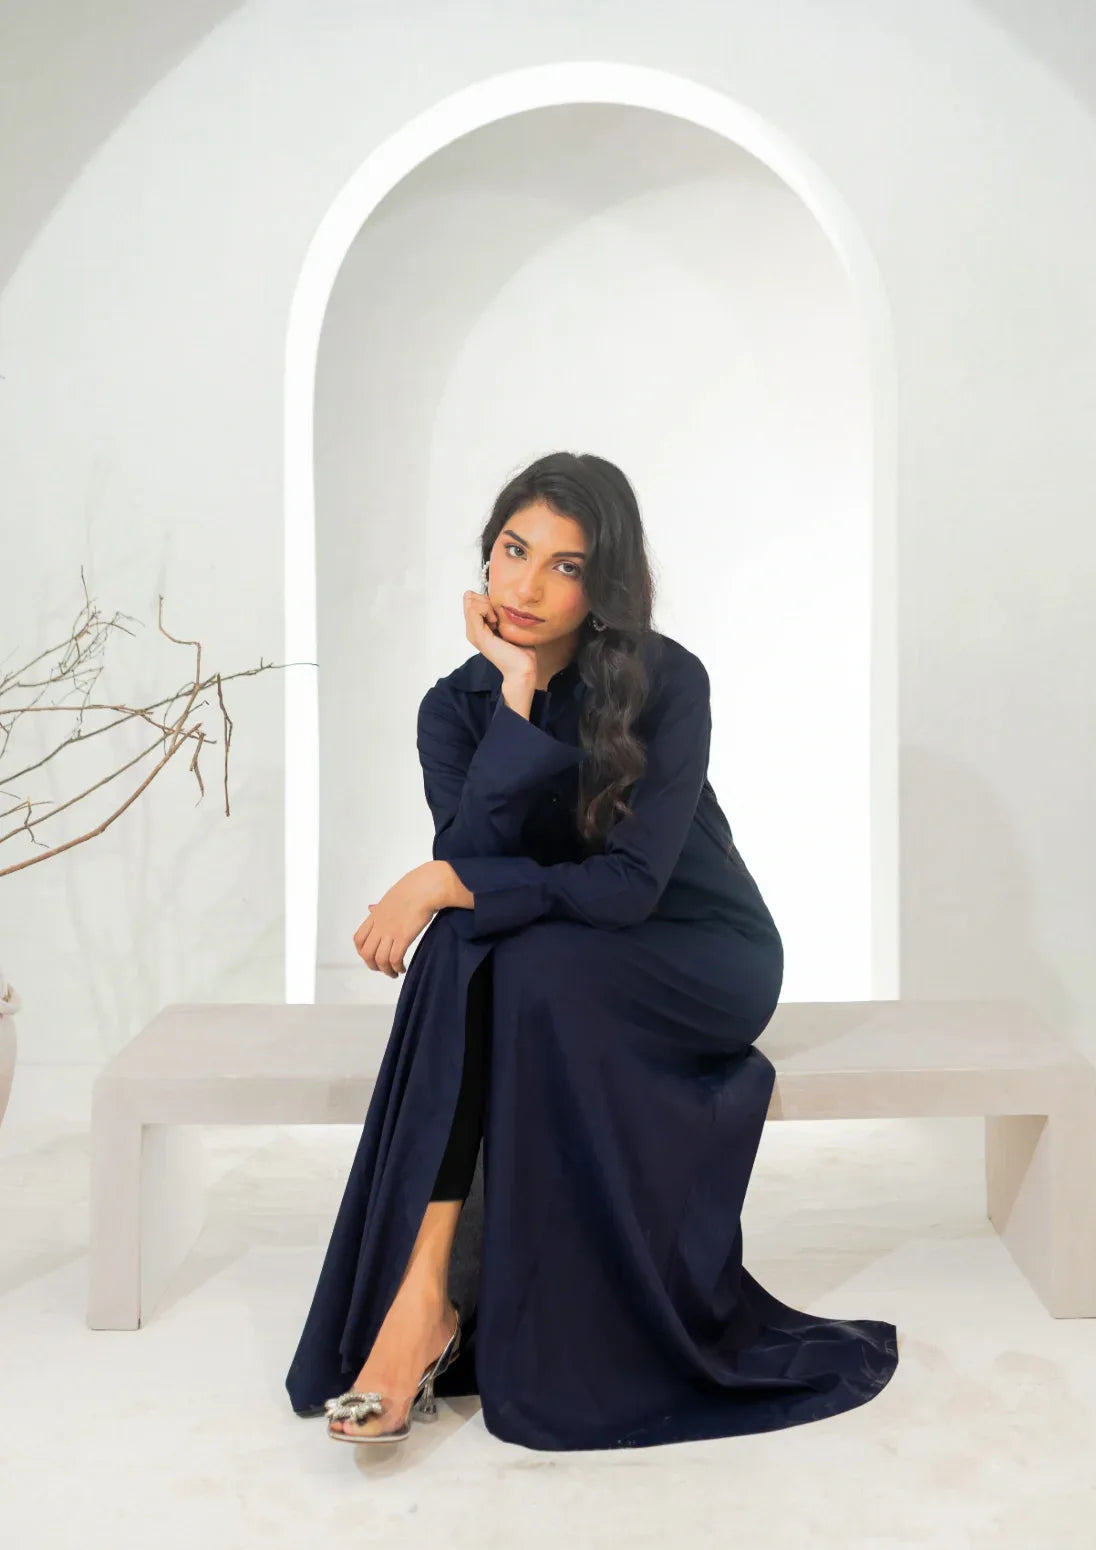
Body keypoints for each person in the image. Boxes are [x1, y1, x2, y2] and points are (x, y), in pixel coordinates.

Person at [284, 451, 900, 1449]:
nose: (526, 585)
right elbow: (480, 864)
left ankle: (428, 1310)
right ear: (486, 550)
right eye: (514, 549)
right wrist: (517, 691)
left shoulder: (667, 681)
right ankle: (422, 1297)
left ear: (601, 583)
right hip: (565, 958)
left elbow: (628, 888)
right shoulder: (456, 708)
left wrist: (444, 880)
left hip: (701, 955)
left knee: (485, 941)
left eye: (565, 567)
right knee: (474, 953)